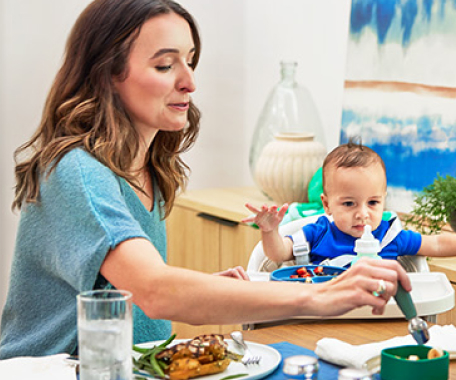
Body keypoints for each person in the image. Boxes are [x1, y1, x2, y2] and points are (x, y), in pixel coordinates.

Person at [0, 0, 411, 359]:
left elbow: (122, 292)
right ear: (108, 73)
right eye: (165, 65)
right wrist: (321, 295)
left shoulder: (148, 171)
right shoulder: (80, 172)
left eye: (189, 60)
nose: (189, 82)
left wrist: (198, 287)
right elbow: (154, 291)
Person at [244, 140, 456, 267]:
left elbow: (437, 243)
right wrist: (269, 232)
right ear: (327, 205)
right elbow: (279, 254)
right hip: (324, 318)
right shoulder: (319, 233)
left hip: (379, 319)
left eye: (373, 202)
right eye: (349, 204)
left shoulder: (389, 235)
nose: (363, 214)